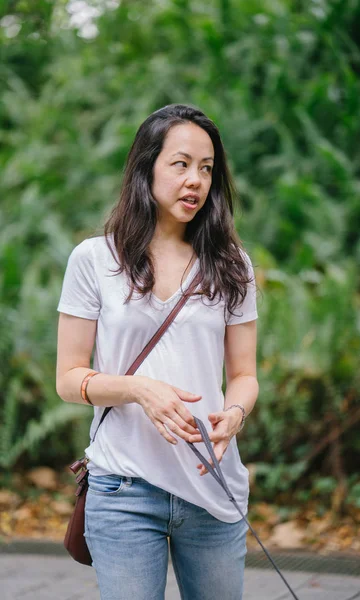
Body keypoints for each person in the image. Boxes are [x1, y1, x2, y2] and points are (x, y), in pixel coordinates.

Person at [56, 103, 259, 600]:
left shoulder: (231, 264)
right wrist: (139, 389)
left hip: (211, 484)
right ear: (146, 167)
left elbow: (245, 374)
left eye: (207, 168)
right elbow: (68, 378)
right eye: (181, 163)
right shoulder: (95, 259)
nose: (196, 180)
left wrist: (234, 413)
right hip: (123, 487)